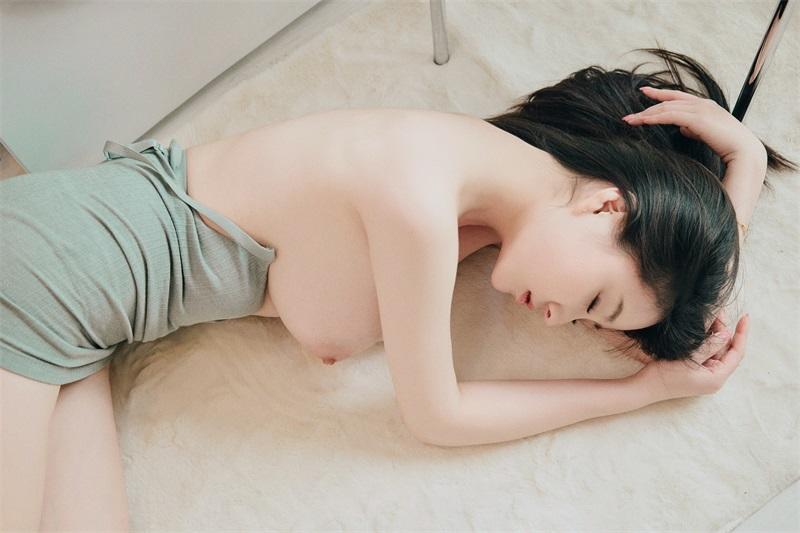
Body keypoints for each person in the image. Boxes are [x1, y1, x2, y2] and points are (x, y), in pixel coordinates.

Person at [0, 47, 795, 529]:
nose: (559, 319)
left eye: (586, 321)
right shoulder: (422, 200)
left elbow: (675, 252)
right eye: (592, 304)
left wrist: (744, 168)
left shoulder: (495, 202)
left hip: (90, 319)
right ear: (607, 204)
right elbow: (438, 416)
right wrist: (640, 391)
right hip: (45, 270)